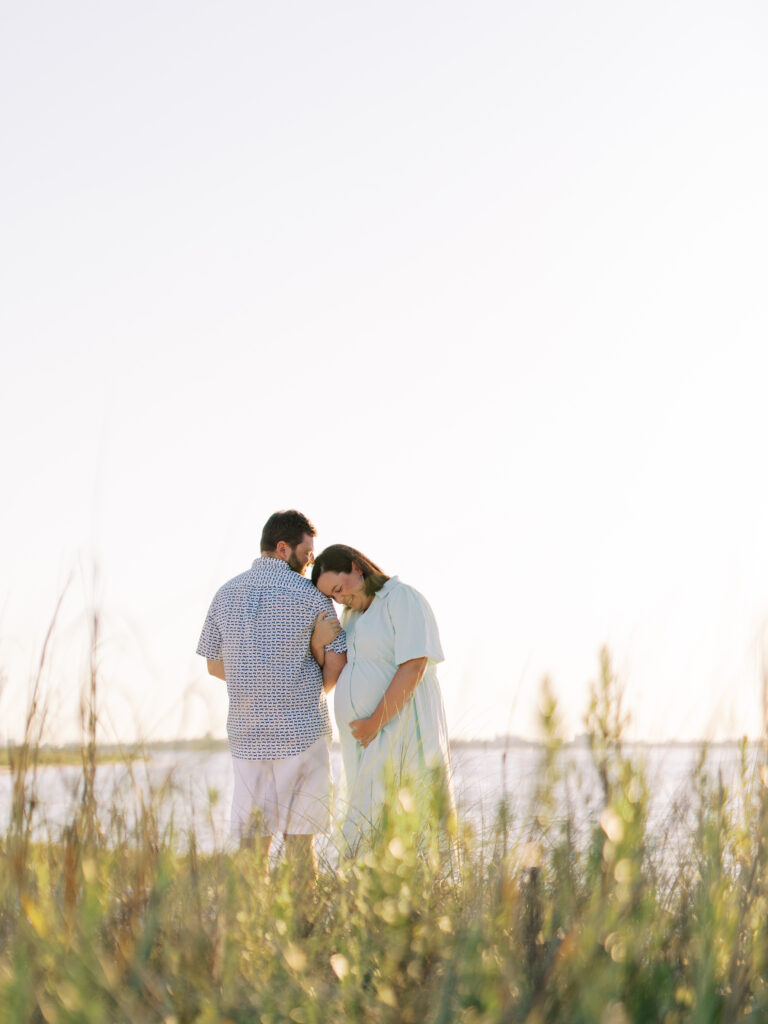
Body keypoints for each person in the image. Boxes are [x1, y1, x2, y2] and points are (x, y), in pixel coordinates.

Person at [197, 510, 346, 875]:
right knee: (300, 845)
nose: (311, 561)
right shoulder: (311, 598)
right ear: (283, 548)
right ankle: (304, 927)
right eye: (307, 553)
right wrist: (311, 688)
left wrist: (256, 682)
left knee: (251, 846)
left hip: (248, 740)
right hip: (303, 736)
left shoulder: (225, 593)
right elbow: (337, 661)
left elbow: (214, 665)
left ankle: (253, 926)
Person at [310, 544, 453, 853]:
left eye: (339, 588)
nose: (340, 598)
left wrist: (375, 722)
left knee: (405, 816)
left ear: (356, 567)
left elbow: (414, 665)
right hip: (369, 739)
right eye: (332, 597)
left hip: (399, 727)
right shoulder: (353, 616)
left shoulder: (400, 598)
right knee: (371, 819)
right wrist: (319, 641)